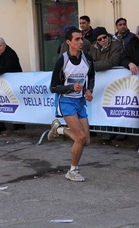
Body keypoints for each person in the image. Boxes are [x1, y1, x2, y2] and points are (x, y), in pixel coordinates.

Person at [47, 28, 95, 182]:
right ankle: (72, 171)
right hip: (66, 101)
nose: (81, 42)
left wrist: (89, 90)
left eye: (81, 39)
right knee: (80, 137)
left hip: (80, 102)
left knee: (86, 141)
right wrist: (70, 88)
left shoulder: (87, 58)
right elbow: (53, 87)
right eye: (77, 39)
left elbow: (91, 76)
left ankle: (59, 129)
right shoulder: (62, 60)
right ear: (68, 42)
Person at [0, 37, 25, 135]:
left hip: (13, 82)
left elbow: (7, 68)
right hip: (2, 84)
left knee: (15, 103)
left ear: (4, 45)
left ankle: (19, 124)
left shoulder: (11, 54)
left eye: (0, 46)